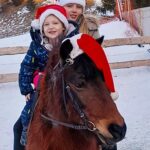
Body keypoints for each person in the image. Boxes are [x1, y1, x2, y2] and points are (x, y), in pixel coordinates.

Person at [13, 4, 79, 150]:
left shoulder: (72, 43)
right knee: (27, 114)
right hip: (42, 90)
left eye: (55, 23)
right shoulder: (37, 46)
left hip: (68, 88)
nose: (51, 27)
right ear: (42, 28)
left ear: (63, 26)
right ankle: (25, 133)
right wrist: (26, 90)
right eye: (46, 24)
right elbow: (26, 67)